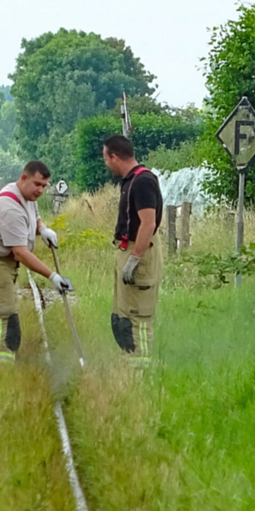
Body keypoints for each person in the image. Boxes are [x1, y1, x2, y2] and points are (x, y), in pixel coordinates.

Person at [0, 160, 71, 363]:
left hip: (0, 262)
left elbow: (35, 217)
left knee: (8, 310)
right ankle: (0, 364)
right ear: (24, 178)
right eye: (37, 184)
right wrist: (52, 276)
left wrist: (42, 229)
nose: (40, 190)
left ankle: (5, 358)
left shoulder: (27, 196)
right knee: (2, 314)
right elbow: (20, 253)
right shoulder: (9, 207)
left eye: (44, 186)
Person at [102, 135, 162, 368]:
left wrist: (135, 258)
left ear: (114, 156)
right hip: (128, 249)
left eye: (106, 158)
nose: (106, 163)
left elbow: (148, 223)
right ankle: (129, 363)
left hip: (141, 253)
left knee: (139, 316)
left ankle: (141, 369)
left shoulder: (143, 181)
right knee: (123, 316)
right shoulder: (130, 181)